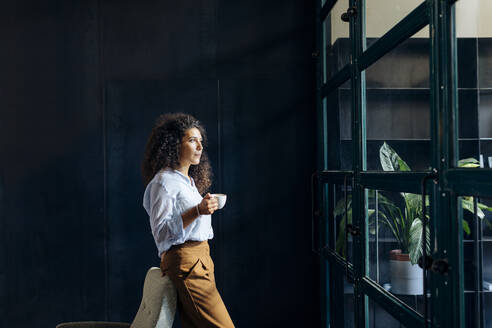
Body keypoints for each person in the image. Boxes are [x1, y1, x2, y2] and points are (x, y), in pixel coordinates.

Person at [141, 113, 234, 328]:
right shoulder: (163, 183)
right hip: (187, 262)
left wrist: (202, 209)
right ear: (174, 145)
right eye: (192, 140)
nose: (200, 146)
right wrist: (198, 211)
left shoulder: (187, 182)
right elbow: (162, 233)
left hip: (201, 259)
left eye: (201, 141)